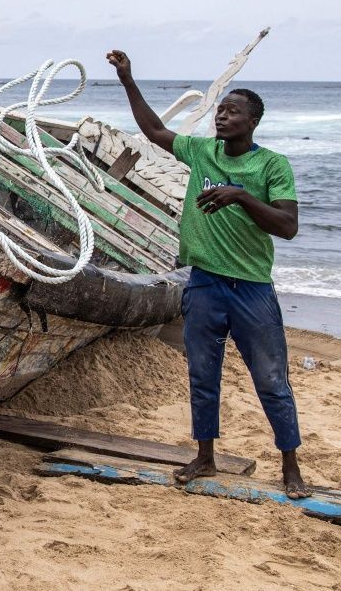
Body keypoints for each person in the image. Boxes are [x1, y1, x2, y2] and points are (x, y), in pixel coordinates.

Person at [106, 51, 307, 498]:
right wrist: (127, 80)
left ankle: (290, 465)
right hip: (204, 283)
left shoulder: (271, 165)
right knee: (203, 374)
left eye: (233, 111)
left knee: (272, 380)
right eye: (220, 110)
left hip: (252, 289)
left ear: (252, 121)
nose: (222, 116)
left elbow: (288, 227)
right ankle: (205, 456)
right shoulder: (202, 151)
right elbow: (155, 131)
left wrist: (240, 196)